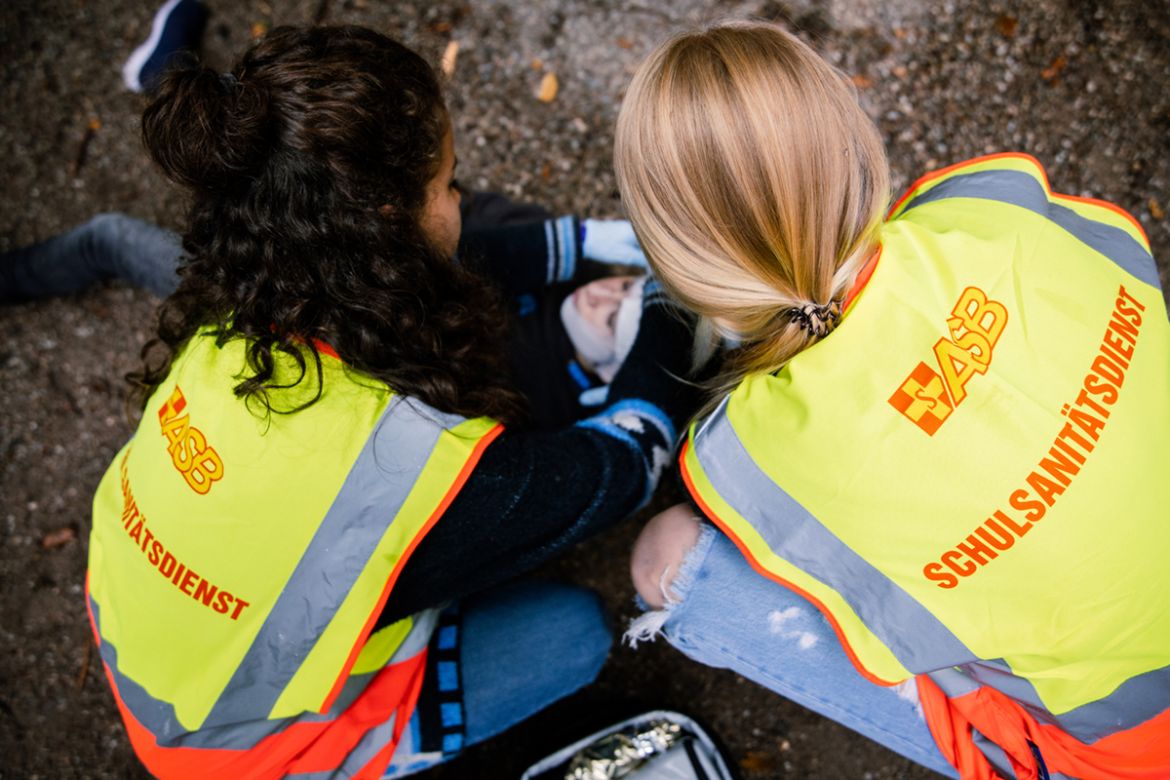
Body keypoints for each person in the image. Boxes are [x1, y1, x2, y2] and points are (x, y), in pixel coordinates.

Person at [55, 25, 698, 778]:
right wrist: (673, 294)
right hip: (235, 747)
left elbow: (449, 257)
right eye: (450, 184)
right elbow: (623, 465)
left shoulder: (250, 295)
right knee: (571, 634)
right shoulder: (413, 474)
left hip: (134, 620)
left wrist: (609, 242)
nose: (461, 197)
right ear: (389, 227)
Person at [614, 21, 1169, 780]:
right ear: (852, 145)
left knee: (665, 558)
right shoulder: (989, 200)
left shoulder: (741, 457)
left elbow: (879, 621)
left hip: (1127, 756)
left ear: (686, 270)